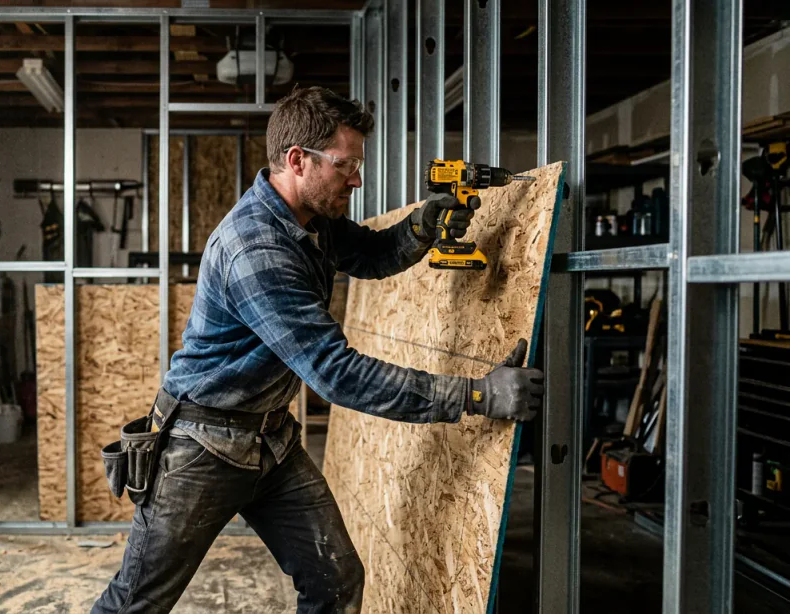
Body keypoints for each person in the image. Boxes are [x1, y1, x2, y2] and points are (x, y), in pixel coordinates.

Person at [92, 86, 544, 614]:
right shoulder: (255, 247)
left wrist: (425, 226)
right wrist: (477, 395)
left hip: (269, 442)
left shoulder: (313, 220)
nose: (355, 178)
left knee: (335, 579)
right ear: (296, 160)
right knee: (136, 603)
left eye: (357, 164)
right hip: (201, 448)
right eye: (345, 165)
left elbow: (373, 256)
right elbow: (336, 374)